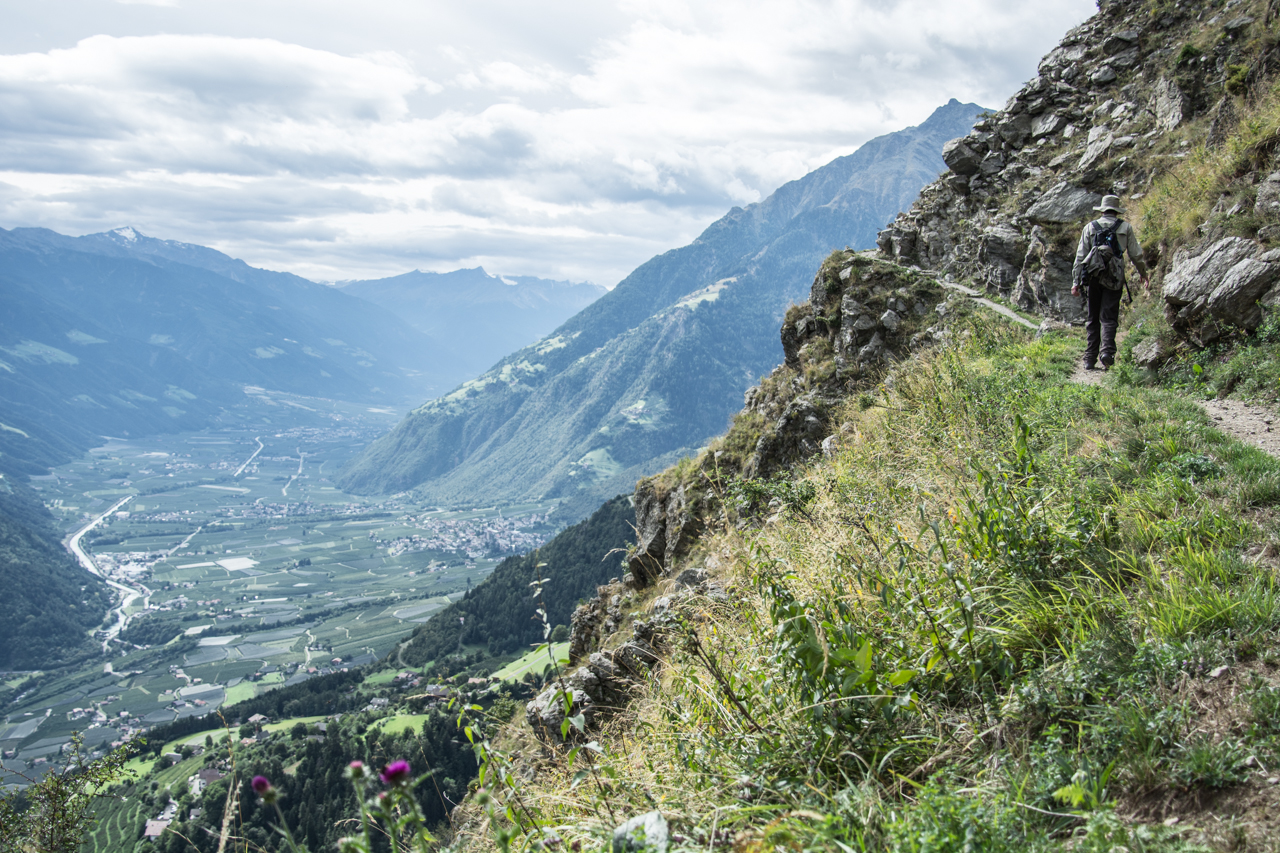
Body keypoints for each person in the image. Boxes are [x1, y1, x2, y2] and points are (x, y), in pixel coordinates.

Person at [1071, 195, 1149, 371]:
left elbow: (1081, 257)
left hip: (1093, 276)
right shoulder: (1125, 227)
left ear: (1102, 210)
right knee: (1109, 316)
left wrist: (1076, 282)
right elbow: (1136, 254)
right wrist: (1143, 273)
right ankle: (1107, 353)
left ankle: (1089, 359)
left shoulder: (1090, 227)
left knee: (1093, 317)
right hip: (1115, 276)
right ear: (1117, 210)